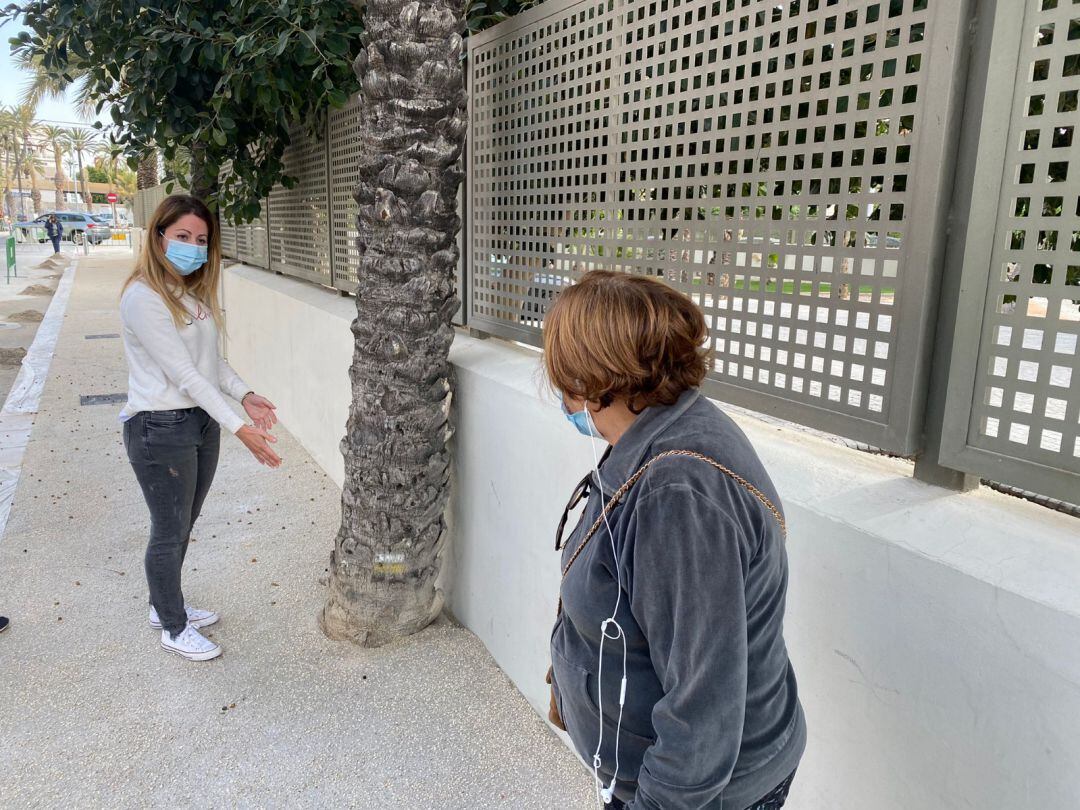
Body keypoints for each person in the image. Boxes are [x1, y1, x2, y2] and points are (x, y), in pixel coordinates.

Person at [545, 271, 805, 809]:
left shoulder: (678, 493)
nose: (562, 395)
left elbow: (701, 713)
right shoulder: (660, 432)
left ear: (593, 379)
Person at [119, 194, 282, 662]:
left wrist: (245, 395)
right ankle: (173, 626)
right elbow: (185, 376)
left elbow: (210, 364)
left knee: (183, 524)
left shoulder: (188, 294)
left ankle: (164, 604)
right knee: (169, 529)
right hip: (160, 427)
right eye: (182, 236)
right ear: (159, 238)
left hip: (198, 423)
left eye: (201, 239)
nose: (192, 247)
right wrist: (240, 429)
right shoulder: (143, 298)